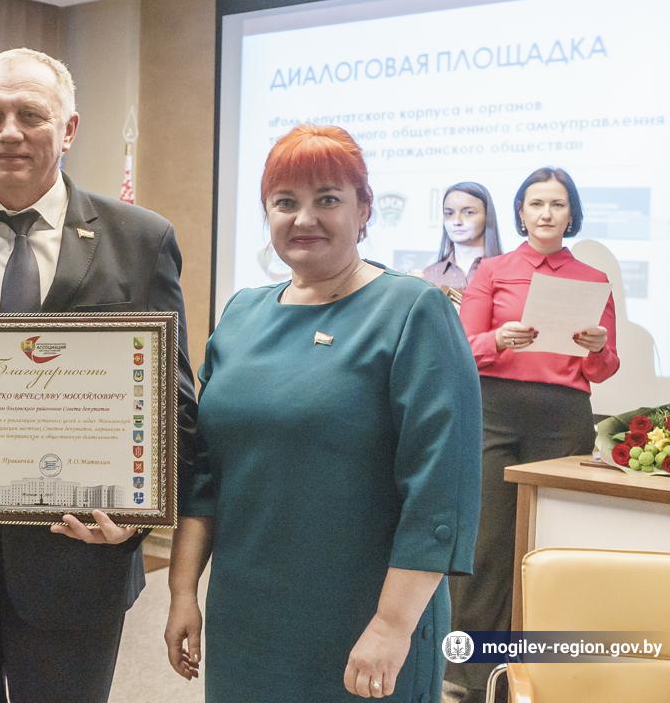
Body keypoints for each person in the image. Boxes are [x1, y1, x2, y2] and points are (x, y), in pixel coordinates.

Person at [0, 47, 198, 703]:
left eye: (31, 115)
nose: (10, 132)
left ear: (69, 129)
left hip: (79, 563)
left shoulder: (140, 239)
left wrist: (139, 514)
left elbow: (174, 400)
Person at [165, 124, 482, 701]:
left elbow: (441, 490)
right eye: (285, 202)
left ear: (364, 211)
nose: (304, 218)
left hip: (367, 617)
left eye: (328, 199)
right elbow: (206, 472)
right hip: (247, 613)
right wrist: (183, 590)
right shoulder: (242, 314)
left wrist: (391, 626)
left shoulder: (413, 310)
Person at [447, 167, 619, 702]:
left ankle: (540, 673)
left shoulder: (592, 279)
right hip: (493, 411)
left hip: (563, 416)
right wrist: (499, 338)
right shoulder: (493, 269)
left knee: (550, 545)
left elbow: (605, 368)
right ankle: (470, 675)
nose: (546, 213)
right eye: (536, 203)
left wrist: (597, 348)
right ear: (520, 212)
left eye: (557, 204)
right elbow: (463, 347)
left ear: (572, 214)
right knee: (486, 545)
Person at [422, 181, 503, 304]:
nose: (457, 221)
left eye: (468, 212)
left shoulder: (506, 272)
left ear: (487, 216)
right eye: (449, 213)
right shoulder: (429, 275)